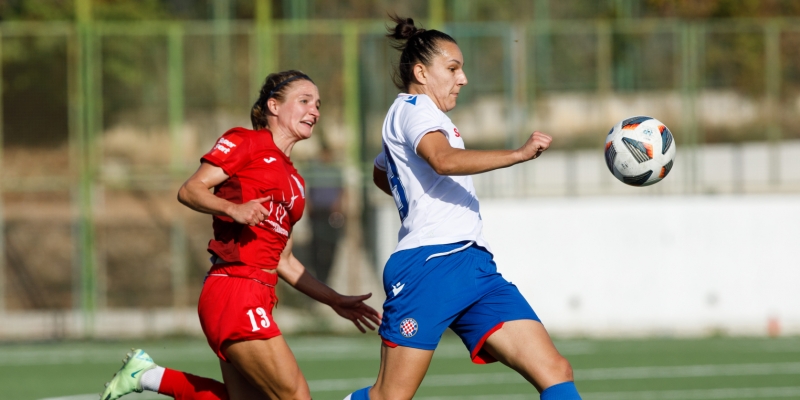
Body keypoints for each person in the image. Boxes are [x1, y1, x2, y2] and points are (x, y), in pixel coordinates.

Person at [100, 70, 381, 400]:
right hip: (234, 289)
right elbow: (190, 190)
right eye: (304, 101)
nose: (315, 111)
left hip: (258, 294)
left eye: (318, 104)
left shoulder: (296, 183)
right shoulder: (246, 142)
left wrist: (333, 299)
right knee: (295, 396)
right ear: (273, 106)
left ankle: (149, 376)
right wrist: (233, 209)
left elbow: (285, 261)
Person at [345, 16, 582, 400]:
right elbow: (443, 160)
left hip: (474, 266)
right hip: (430, 264)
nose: (463, 78)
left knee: (554, 370)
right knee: (390, 396)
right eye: (453, 68)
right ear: (421, 72)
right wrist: (518, 154)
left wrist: (414, 190)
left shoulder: (425, 117)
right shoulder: (415, 109)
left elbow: (382, 172)